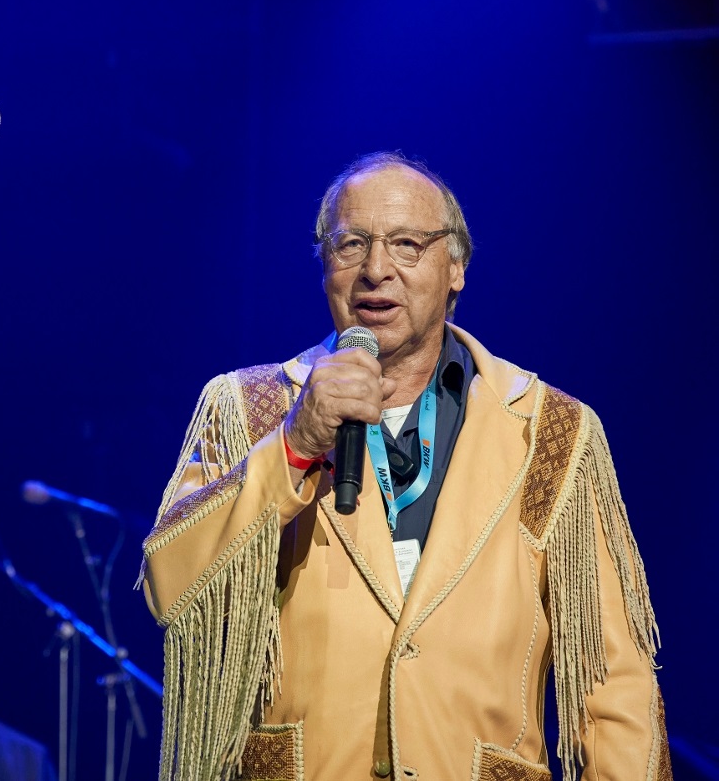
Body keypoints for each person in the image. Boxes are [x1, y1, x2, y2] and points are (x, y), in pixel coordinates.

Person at [141, 152, 670, 780]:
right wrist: (296, 443)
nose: (375, 270)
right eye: (351, 244)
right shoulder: (248, 409)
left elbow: (614, 685)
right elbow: (170, 589)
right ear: (324, 266)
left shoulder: (552, 431)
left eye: (407, 245)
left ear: (456, 268)